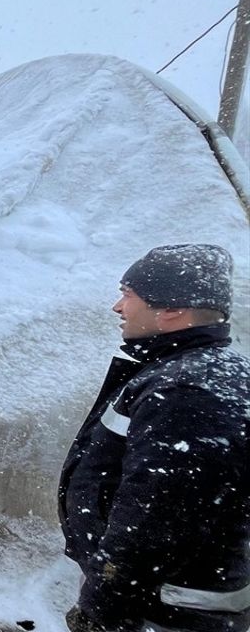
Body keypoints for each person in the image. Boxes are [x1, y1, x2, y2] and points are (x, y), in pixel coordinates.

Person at [59, 244, 249, 632]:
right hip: (158, 600)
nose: (118, 307)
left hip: (163, 609)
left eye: (129, 295)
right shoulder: (186, 373)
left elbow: (154, 517)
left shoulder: (188, 390)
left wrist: (102, 606)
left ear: (172, 310)